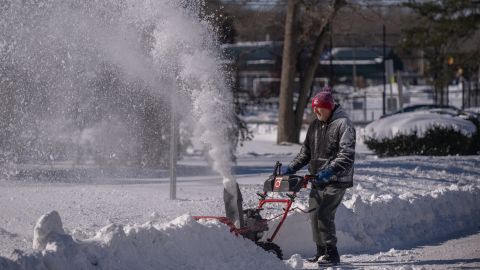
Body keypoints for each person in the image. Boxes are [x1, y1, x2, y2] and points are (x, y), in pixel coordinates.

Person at [282, 87, 356, 265]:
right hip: (317, 179)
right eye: (314, 108)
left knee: (324, 214)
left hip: (337, 179)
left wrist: (329, 171)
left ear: (329, 107)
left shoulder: (343, 124)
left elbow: (347, 155)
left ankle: (332, 253)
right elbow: (306, 153)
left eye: (319, 108)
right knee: (314, 215)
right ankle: (321, 251)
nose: (315, 111)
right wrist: (291, 168)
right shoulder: (315, 125)